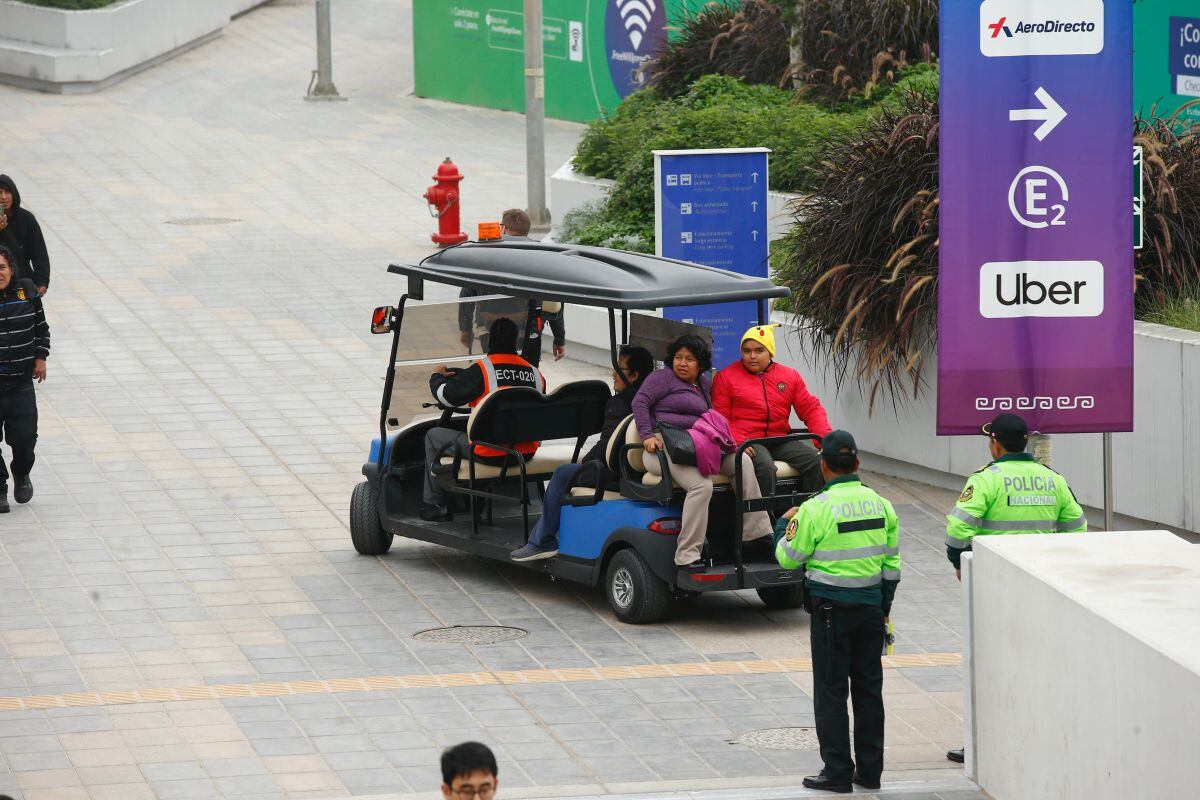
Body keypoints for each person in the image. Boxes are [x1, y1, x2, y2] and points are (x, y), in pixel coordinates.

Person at [943, 411, 1086, 764]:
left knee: (988, 662)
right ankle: (1037, 736)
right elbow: (1077, 527)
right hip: (1041, 585)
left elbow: (957, 531)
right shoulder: (1052, 479)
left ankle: (982, 744)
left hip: (995, 584)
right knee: (1038, 661)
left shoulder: (987, 480)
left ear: (995, 443)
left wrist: (959, 562)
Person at [774, 430, 900, 794]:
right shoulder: (882, 504)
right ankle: (871, 772)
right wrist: (882, 607)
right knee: (868, 691)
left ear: (823, 466)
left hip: (831, 613)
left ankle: (837, 772)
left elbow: (788, 557)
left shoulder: (815, 508)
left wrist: (784, 525)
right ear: (858, 463)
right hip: (871, 609)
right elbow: (891, 565)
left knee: (831, 691)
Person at [632, 334, 773, 569]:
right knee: (701, 486)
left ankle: (756, 536)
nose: (682, 363)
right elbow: (640, 403)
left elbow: (714, 423)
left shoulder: (704, 385)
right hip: (666, 447)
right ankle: (687, 555)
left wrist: (733, 446)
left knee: (742, 463)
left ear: (701, 364)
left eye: (689, 359)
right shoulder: (662, 378)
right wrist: (646, 435)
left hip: (699, 445)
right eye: (678, 358)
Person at [510, 345, 654, 561]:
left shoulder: (621, 403)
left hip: (616, 473)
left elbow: (606, 448)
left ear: (634, 375)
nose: (613, 373)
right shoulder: (654, 399)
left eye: (619, 368)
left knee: (562, 473)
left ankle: (542, 541)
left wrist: (585, 463)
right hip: (637, 469)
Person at [422, 317, 546, 521]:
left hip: (490, 452)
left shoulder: (482, 370)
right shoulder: (535, 374)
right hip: (525, 452)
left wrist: (436, 376)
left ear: (489, 341)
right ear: (516, 342)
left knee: (433, 435)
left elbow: (446, 395)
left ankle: (435, 504)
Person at [712, 323, 833, 496]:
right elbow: (719, 417)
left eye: (759, 350)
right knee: (766, 467)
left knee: (816, 461)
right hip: (749, 441)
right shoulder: (726, 377)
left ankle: (806, 515)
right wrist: (736, 440)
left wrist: (826, 439)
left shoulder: (790, 376)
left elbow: (810, 408)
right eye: (746, 351)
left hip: (779, 439)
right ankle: (765, 521)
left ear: (770, 352)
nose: (752, 356)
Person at [457, 208, 566, 364]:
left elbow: (467, 294)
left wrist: (465, 330)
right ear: (527, 231)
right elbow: (556, 300)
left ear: (504, 228)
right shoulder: (541, 256)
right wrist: (559, 339)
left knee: (496, 374)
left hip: (490, 332)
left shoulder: (484, 254)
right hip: (529, 334)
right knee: (529, 377)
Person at [0, 245, 50, 513]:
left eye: (2, 268)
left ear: (11, 269)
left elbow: (41, 328)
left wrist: (40, 357)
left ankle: (21, 472)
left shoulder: (27, 292)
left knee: (24, 438)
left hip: (20, 383)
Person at [0, 175, 50, 295]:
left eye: (7, 192)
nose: (3, 197)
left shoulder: (26, 219)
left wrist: (42, 281)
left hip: (23, 282)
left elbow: (39, 252)